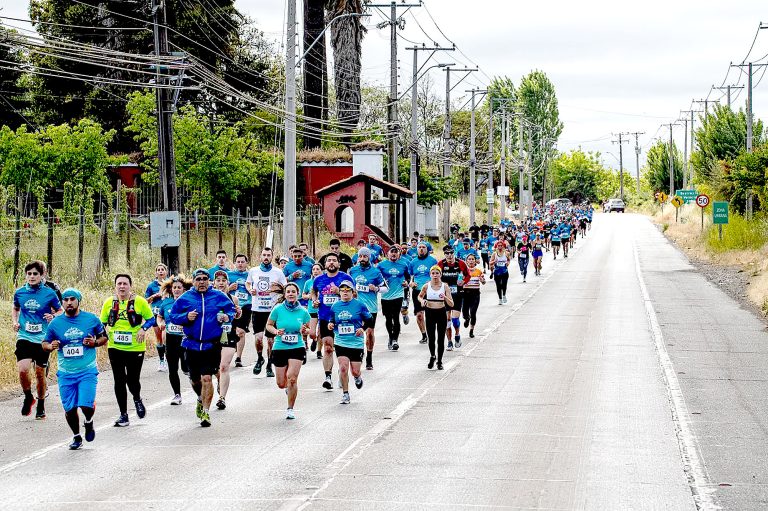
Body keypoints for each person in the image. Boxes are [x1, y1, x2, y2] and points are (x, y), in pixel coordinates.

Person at [170, 268, 236, 427]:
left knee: (207, 378)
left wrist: (228, 316)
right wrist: (186, 317)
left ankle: (206, 413)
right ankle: (200, 398)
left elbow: (231, 309)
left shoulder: (218, 295)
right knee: (195, 380)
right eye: (198, 279)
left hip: (211, 344)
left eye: (205, 279)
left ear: (209, 281)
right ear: (193, 281)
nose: (202, 282)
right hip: (191, 344)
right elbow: (172, 316)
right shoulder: (186, 298)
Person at [42, 288, 107, 450]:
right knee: (70, 409)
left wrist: (95, 343)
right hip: (66, 373)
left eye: (72, 299)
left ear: (78, 301)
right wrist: (51, 346)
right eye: (65, 299)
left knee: (85, 405)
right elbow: (44, 343)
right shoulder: (55, 323)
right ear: (62, 302)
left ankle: (89, 421)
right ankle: (77, 436)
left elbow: (104, 337)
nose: (69, 302)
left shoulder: (91, 319)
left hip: (87, 371)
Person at [100, 274, 155, 427]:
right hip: (115, 347)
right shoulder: (109, 303)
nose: (122, 286)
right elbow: (102, 322)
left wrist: (143, 329)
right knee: (119, 380)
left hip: (135, 347)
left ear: (130, 286)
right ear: (115, 286)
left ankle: (137, 398)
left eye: (125, 284)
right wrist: (102, 334)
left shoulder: (140, 302)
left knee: (132, 380)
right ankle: (123, 414)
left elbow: (152, 319)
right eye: (119, 284)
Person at [13, 261, 63, 419]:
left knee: (40, 374)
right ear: (26, 276)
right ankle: (28, 397)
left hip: (43, 338)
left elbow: (61, 311)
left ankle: (40, 404)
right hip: (25, 336)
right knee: (23, 369)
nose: (32, 277)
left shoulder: (49, 293)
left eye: (35, 274)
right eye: (29, 274)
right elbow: (15, 308)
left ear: (42, 276)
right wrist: (15, 321)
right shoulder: (20, 292)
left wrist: (52, 316)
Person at [267, 282, 311, 419]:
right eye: (288, 292)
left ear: (297, 294)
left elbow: (310, 329)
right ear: (285, 295)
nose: (291, 294)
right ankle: (287, 389)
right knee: (281, 383)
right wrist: (275, 331)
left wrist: (305, 331)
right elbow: (269, 325)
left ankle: (290, 408)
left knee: (292, 378)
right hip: (280, 346)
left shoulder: (303, 312)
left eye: (293, 292)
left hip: (297, 346)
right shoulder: (278, 309)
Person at [327, 280, 373, 404]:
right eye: (342, 290)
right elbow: (331, 319)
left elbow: (370, 320)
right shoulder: (335, 306)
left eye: (348, 290)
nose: (345, 292)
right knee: (343, 368)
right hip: (341, 341)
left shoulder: (359, 305)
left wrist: (362, 329)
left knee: (355, 371)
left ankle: (357, 378)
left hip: (356, 343)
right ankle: (345, 394)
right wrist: (330, 324)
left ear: (353, 292)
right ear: (339, 292)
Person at [311, 253, 353, 390]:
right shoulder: (318, 279)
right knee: (328, 347)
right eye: (329, 260)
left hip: (343, 318)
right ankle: (328, 377)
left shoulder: (345, 278)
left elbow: (355, 294)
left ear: (338, 264)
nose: (331, 263)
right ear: (325, 264)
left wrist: (338, 292)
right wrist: (315, 300)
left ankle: (343, 373)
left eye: (334, 260)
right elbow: (313, 291)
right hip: (325, 317)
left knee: (342, 349)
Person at [246, 248, 287, 377]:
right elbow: (248, 283)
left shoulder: (278, 272)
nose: (266, 257)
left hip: (272, 310)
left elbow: (285, 288)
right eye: (264, 255)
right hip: (257, 309)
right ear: (260, 257)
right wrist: (250, 289)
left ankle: (269, 364)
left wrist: (279, 297)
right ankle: (260, 358)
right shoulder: (253, 271)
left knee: (270, 340)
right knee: (258, 339)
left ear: (271, 257)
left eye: (268, 255)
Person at [156, 274, 192, 405]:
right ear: (171, 289)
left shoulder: (188, 301)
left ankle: (191, 376)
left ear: (184, 289)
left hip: (185, 339)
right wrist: (160, 324)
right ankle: (177, 395)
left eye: (179, 287)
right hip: (171, 339)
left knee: (185, 367)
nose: (176, 289)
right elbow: (159, 317)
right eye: (174, 287)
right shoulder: (166, 303)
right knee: (172, 368)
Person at [349, 247, 386, 370]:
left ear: (369, 257)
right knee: (357, 333)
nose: (362, 259)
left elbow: (386, 288)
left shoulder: (375, 272)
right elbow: (347, 286)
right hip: (355, 307)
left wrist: (375, 289)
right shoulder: (353, 271)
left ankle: (369, 356)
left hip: (371, 308)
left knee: (369, 333)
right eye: (360, 256)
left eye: (365, 256)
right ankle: (359, 352)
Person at [212, 270, 242, 410]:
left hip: (229, 334)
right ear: (214, 283)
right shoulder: (210, 298)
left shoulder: (233, 298)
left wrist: (238, 313)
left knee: (224, 366)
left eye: (223, 281)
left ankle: (222, 398)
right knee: (216, 368)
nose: (221, 283)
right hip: (212, 335)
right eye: (218, 280)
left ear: (227, 283)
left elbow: (236, 317)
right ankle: (219, 380)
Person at [418, 266, 453, 370]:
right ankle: (433, 356)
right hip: (430, 313)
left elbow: (451, 304)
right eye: (433, 273)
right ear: (430, 275)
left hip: (441, 312)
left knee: (441, 339)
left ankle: (440, 361)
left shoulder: (445, 286)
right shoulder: (426, 286)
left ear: (440, 274)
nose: (435, 275)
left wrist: (445, 297)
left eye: (437, 273)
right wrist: (422, 301)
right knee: (431, 338)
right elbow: (420, 296)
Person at [377, 245, 410, 352]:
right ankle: (390, 337)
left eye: (396, 252)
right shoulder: (381, 265)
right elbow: (376, 276)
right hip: (385, 296)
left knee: (396, 317)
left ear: (399, 254)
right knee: (388, 318)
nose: (394, 254)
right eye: (392, 252)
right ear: (388, 254)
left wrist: (406, 282)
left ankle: (395, 340)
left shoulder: (403, 265)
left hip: (398, 295)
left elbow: (408, 277)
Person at [438, 245, 470, 350]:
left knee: (455, 320)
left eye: (451, 253)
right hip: (445, 295)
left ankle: (457, 334)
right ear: (444, 254)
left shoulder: (461, 263)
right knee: (447, 320)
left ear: (454, 253)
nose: (449, 255)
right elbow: (435, 276)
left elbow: (468, 275)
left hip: (458, 294)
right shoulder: (440, 264)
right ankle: (449, 342)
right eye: (447, 253)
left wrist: (463, 282)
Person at [408, 242, 438, 344]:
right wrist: (411, 283)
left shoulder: (432, 261)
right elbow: (409, 277)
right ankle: (424, 335)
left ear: (427, 249)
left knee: (430, 315)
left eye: (423, 247)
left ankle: (431, 333)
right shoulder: (413, 262)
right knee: (419, 315)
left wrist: (432, 282)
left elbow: (438, 275)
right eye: (419, 247)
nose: (421, 249)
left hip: (430, 291)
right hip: (417, 291)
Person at [227, 254, 251, 368]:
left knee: (241, 332)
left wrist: (249, 289)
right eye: (238, 262)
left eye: (242, 261)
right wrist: (230, 288)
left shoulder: (251, 275)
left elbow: (256, 290)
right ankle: (231, 348)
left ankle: (238, 358)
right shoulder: (229, 275)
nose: (240, 264)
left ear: (246, 263)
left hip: (246, 305)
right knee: (232, 332)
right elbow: (220, 289)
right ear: (235, 263)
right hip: (231, 305)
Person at [145, 263, 169, 372]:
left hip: (167, 313)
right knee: (159, 337)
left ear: (166, 271)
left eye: (162, 269)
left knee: (167, 338)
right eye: (158, 270)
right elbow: (146, 301)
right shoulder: (151, 286)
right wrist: (155, 296)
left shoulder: (171, 284)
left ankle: (169, 358)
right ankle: (161, 360)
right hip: (155, 313)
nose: (160, 271)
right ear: (156, 272)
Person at [303, 263, 324, 359]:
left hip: (323, 310)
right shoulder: (308, 282)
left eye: (318, 269)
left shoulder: (325, 281)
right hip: (312, 309)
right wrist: (309, 297)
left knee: (321, 332)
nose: (315, 271)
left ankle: (319, 351)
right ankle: (314, 340)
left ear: (322, 270)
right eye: (314, 269)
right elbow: (303, 295)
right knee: (312, 333)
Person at [461, 254, 485, 338]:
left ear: (475, 261)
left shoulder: (478, 271)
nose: (471, 261)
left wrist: (482, 280)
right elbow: (459, 281)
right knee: (464, 312)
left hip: (475, 294)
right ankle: (467, 318)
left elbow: (483, 282)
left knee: (473, 312)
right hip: (465, 294)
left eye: (472, 259)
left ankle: (471, 330)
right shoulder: (463, 271)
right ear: (466, 261)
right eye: (469, 259)